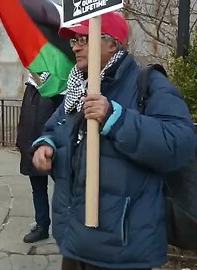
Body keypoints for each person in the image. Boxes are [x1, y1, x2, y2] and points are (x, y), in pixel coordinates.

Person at [31, 12, 195, 270]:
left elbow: (178, 142)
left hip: (122, 247)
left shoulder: (148, 84)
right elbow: (56, 126)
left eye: (84, 38)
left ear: (112, 43)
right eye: (74, 39)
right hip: (75, 240)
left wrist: (115, 119)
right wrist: (46, 144)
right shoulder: (78, 86)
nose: (75, 46)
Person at [16, 73, 63, 243]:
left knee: (65, 187)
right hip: (32, 143)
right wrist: (22, 141)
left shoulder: (59, 84)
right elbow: (26, 116)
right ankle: (42, 225)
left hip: (55, 146)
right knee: (38, 188)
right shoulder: (31, 87)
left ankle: (70, 226)